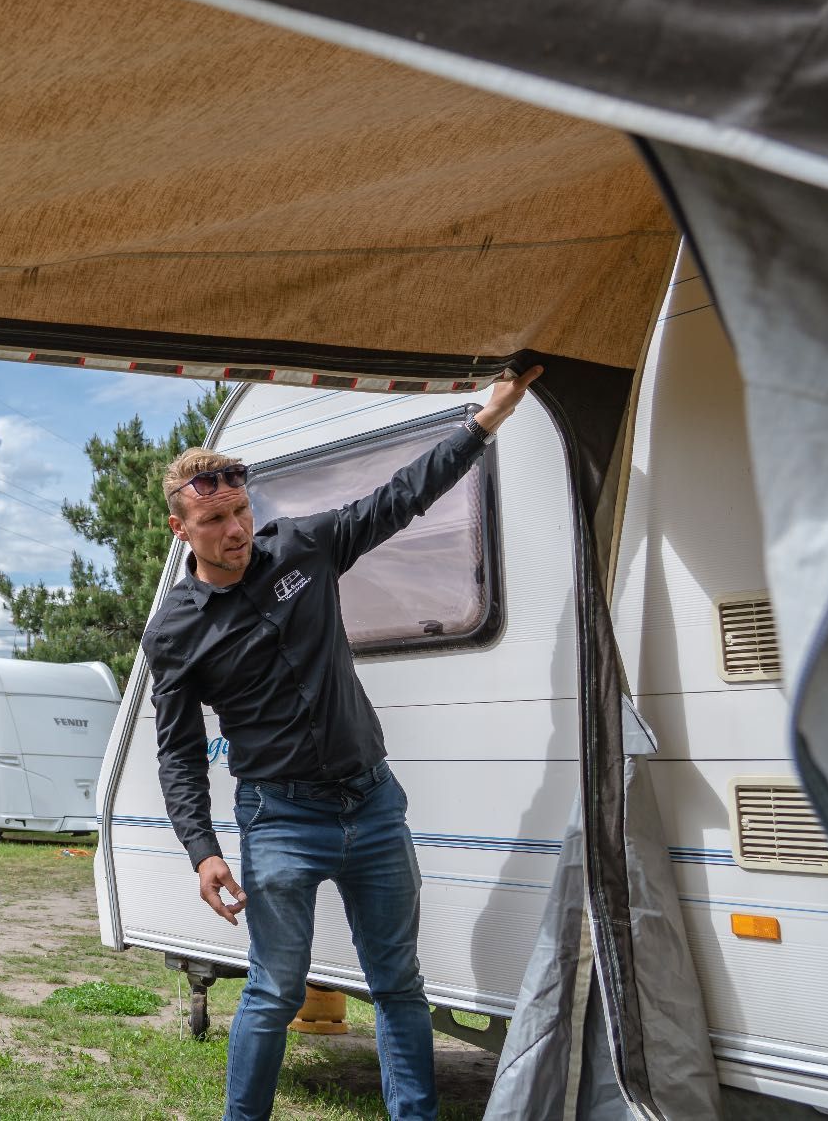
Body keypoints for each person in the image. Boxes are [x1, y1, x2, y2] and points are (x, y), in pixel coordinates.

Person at [147, 366, 541, 1121]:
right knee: (274, 990)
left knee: (397, 985)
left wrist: (484, 422)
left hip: (371, 803)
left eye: (239, 510)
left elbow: (398, 500)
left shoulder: (302, 548)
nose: (234, 530)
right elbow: (177, 752)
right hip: (280, 820)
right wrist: (202, 850)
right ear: (180, 529)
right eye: (214, 521)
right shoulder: (174, 632)